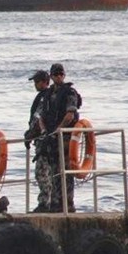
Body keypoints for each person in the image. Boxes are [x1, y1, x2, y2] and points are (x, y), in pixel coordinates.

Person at [38, 63, 82, 212]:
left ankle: (68, 204)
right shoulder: (47, 94)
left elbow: (70, 115)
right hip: (51, 137)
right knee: (54, 170)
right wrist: (45, 131)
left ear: (64, 75)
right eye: (55, 74)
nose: (58, 76)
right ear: (51, 76)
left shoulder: (69, 92)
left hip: (65, 137)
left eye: (60, 74)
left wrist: (59, 130)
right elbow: (41, 116)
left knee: (66, 171)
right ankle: (55, 203)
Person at [25, 70, 52, 212]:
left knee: (41, 172)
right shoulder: (49, 96)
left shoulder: (44, 97)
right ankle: (53, 202)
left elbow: (38, 118)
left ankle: (45, 203)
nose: (35, 85)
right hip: (47, 139)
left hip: (44, 140)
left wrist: (30, 134)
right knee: (49, 172)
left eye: (37, 81)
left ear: (44, 82)